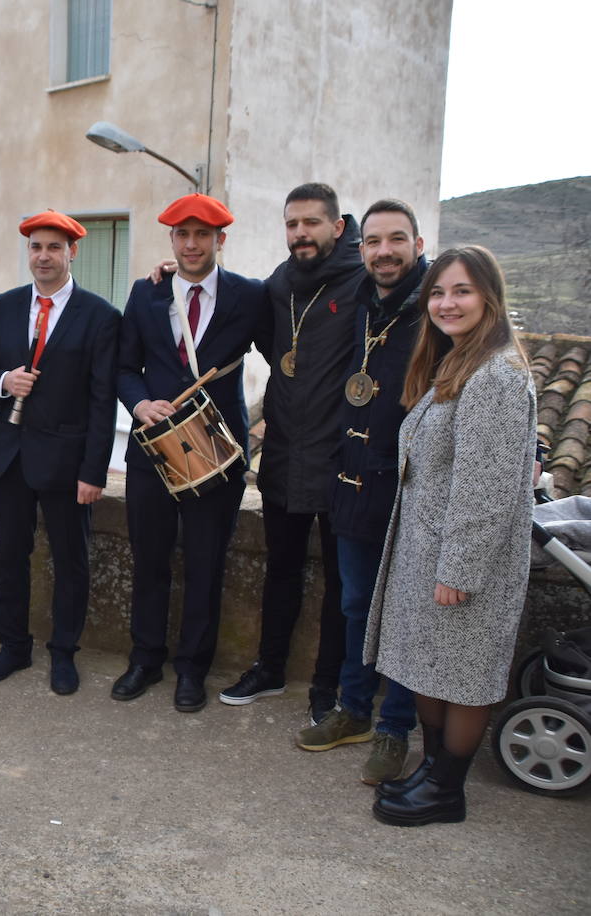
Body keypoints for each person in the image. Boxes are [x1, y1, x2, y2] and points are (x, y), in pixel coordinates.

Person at [365, 245, 536, 826]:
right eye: (437, 292)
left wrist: (458, 570)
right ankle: (433, 772)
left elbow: (485, 487)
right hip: (431, 550)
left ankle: (446, 790)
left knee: (463, 675)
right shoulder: (461, 361)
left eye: (460, 290)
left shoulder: (494, 376)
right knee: (433, 666)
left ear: (489, 296)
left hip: (461, 559)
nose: (446, 303)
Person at [115, 193, 267, 712]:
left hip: (218, 454)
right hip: (154, 453)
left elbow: (284, 353)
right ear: (172, 241)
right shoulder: (145, 293)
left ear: (220, 240)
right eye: (183, 234)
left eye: (203, 234)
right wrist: (138, 404)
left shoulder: (249, 296)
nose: (192, 243)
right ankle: (145, 659)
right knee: (149, 560)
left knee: (206, 565)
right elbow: (123, 368)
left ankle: (191, 671)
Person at [296, 200, 426, 785]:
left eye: (396, 240)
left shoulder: (436, 308)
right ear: (361, 248)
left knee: (399, 615)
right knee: (355, 605)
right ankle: (353, 710)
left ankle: (395, 729)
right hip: (353, 479)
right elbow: (296, 270)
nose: (384, 251)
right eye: (374, 242)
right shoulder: (362, 302)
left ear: (418, 246)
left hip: (410, 490)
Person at [219, 184, 358, 723]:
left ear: (337, 227)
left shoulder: (365, 279)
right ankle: (270, 668)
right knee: (281, 570)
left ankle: (328, 686)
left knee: (341, 584)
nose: (300, 233)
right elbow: (234, 314)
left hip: (343, 460)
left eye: (311, 223)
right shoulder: (279, 284)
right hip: (282, 454)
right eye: (292, 224)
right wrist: (171, 279)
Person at [0, 210, 120, 696]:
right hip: (10, 456)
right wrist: (3, 381)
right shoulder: (5, 304)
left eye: (53, 248)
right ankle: (13, 647)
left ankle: (64, 653)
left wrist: (93, 471)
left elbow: (103, 400)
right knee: (11, 556)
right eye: (36, 247)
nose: (43, 256)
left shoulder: (100, 315)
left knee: (70, 560)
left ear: (71, 252)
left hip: (66, 462)